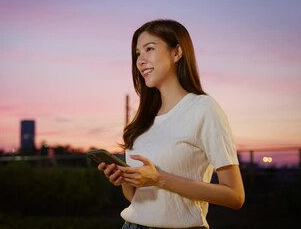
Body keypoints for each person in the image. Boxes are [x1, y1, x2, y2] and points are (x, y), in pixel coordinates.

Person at [98, 19, 245, 229]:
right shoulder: (142, 121)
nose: (140, 60)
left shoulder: (203, 109)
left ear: (177, 53)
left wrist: (159, 179)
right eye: (137, 53)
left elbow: (235, 196)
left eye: (149, 49)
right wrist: (125, 179)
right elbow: (137, 199)